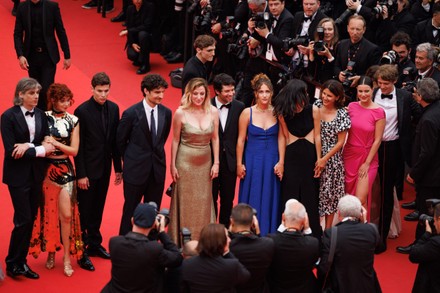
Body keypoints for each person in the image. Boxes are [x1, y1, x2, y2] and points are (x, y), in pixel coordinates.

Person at [2, 78, 55, 279]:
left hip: (36, 175)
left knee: (30, 218)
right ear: (21, 94)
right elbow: (11, 151)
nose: (35, 97)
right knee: (23, 218)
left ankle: (21, 262)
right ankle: (12, 263)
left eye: (37, 94)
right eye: (31, 93)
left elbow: (49, 144)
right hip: (17, 177)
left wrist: (28, 146)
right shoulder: (8, 117)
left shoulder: (41, 114)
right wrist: (38, 148)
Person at [28, 83, 82, 277]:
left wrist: (56, 143)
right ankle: (51, 251)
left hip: (66, 169)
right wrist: (46, 144)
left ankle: (67, 257)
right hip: (47, 169)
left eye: (68, 99)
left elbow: (74, 151)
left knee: (66, 215)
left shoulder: (74, 120)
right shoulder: (43, 117)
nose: (66, 103)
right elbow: (39, 142)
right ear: (53, 100)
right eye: (61, 100)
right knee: (50, 214)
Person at [74, 72, 122, 264]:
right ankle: (80, 250)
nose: (103, 94)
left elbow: (115, 142)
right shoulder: (81, 111)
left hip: (104, 168)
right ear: (92, 89)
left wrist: (118, 168)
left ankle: (94, 244)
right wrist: (81, 175)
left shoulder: (114, 108)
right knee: (83, 211)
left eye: (106, 91)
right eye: (100, 91)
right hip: (88, 170)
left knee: (98, 208)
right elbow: (79, 147)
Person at [372, 64, 421, 252]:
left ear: (394, 82)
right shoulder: (372, 92)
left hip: (391, 149)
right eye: (380, 83)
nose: (382, 87)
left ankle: (381, 235)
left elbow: (420, 116)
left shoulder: (405, 97)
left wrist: (409, 137)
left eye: (386, 84)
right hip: (369, 148)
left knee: (385, 192)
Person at [117, 74, 172, 236]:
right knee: (130, 210)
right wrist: (128, 161)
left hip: (157, 171)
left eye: (162, 92)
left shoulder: (166, 113)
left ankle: (150, 247)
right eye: (157, 92)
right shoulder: (131, 113)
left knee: (153, 211)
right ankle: (125, 243)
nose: (160, 96)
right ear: (146, 91)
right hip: (135, 171)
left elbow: (161, 139)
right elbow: (120, 142)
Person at [169, 78, 219, 245]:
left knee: (204, 201)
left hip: (205, 162)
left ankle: (203, 240)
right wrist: (173, 165)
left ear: (206, 94)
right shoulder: (180, 113)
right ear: (189, 94)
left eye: (202, 94)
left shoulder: (213, 111)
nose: (198, 97)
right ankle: (181, 240)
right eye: (195, 94)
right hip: (185, 162)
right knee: (185, 201)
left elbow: (215, 138)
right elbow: (175, 140)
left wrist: (216, 162)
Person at [272, 79, 321, 239]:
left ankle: (312, 238)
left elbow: (318, 136)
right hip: (292, 157)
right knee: (290, 196)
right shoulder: (283, 113)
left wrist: (320, 159)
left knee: (310, 198)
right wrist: (282, 162)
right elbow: (284, 138)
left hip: (310, 158)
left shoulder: (314, 109)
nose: (307, 95)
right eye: (305, 92)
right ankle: (288, 236)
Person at [236, 73, 284, 235]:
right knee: (253, 194)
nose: (264, 95)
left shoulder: (277, 112)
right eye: (261, 92)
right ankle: (246, 233)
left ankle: (268, 234)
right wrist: (239, 163)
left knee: (271, 197)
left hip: (272, 160)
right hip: (252, 160)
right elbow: (241, 140)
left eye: (267, 91)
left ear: (272, 93)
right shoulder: (246, 113)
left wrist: (281, 162)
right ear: (255, 93)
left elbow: (282, 138)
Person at [397, 78, 440, 254]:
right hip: (435, 173)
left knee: (426, 212)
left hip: (431, 177)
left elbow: (426, 153)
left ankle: (420, 247)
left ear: (420, 96)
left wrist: (414, 173)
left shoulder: (428, 119)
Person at [102, 203, 183, 293]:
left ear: (132, 220)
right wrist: (162, 232)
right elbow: (177, 258)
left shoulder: (114, 242)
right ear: (153, 224)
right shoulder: (155, 249)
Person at [13, 0, 71, 111]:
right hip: (31, 56)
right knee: (35, 90)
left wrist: (67, 55)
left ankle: (47, 116)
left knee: (46, 89)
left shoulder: (52, 7)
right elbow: (17, 33)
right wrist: (20, 55)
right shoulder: (22, 7)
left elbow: (60, 30)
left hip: (48, 55)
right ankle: (39, 117)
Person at [318, 195, 382, 293]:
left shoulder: (331, 233)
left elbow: (324, 267)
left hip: (340, 287)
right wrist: (364, 222)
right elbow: (379, 247)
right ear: (360, 213)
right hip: (367, 287)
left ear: (339, 213)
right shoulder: (372, 230)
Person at [343, 76, 385, 219]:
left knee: (360, 199)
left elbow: (378, 140)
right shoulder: (351, 107)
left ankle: (362, 234)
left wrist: (367, 163)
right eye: (360, 91)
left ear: (373, 90)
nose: (363, 95)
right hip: (349, 155)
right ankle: (354, 230)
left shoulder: (379, 112)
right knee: (348, 196)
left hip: (368, 158)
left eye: (366, 91)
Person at [314, 80, 351, 229]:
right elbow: (315, 134)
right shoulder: (315, 106)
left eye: (329, 95)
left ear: (337, 97)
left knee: (330, 196)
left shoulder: (342, 113)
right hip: (315, 155)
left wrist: (324, 159)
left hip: (332, 160)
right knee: (315, 194)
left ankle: (328, 231)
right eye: (324, 93)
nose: (325, 97)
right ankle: (315, 229)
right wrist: (318, 159)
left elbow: (340, 142)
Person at [211, 74, 245, 227]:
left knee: (227, 200)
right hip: (210, 161)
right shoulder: (207, 106)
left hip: (230, 161)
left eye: (232, 90)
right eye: (227, 91)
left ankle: (224, 232)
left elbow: (243, 136)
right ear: (217, 91)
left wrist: (240, 162)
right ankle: (210, 231)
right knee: (210, 199)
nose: (231, 93)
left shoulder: (239, 107)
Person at [267, 199, 320, 293]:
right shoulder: (312, 244)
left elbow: (275, 239)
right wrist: (307, 229)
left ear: (283, 217)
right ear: (304, 220)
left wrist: (281, 228)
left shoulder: (271, 241)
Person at [181, 223, 250, 292]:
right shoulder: (231, 266)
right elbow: (246, 276)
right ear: (220, 241)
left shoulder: (187, 264)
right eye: (227, 237)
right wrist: (227, 252)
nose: (230, 240)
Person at [229, 203, 275, 292]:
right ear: (253, 223)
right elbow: (261, 243)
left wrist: (229, 233)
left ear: (232, 222)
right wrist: (258, 233)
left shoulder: (229, 247)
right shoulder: (268, 244)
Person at [335, 15, 381, 100]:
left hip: (361, 93)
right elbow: (336, 65)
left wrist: (360, 78)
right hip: (341, 90)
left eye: (358, 29)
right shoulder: (341, 44)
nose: (354, 32)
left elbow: (375, 74)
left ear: (364, 30)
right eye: (352, 29)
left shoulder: (373, 49)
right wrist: (339, 74)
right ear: (347, 28)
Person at [409, 202, 440, 292]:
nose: (433, 223)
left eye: (434, 220)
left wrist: (426, 235)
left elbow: (413, 255)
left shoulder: (435, 244)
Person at [118, 0, 154, 75]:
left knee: (142, 34)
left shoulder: (149, 7)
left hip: (148, 37)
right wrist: (132, 43)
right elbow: (129, 26)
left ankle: (145, 64)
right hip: (135, 38)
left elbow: (147, 26)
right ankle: (139, 58)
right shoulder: (130, 9)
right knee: (132, 55)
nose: (137, 1)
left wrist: (128, 31)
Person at [307, 18, 340, 98]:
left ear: (334, 31)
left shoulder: (339, 46)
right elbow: (310, 72)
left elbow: (335, 70)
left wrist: (329, 56)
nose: (327, 32)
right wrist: (311, 54)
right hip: (315, 85)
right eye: (324, 30)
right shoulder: (316, 45)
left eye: (330, 29)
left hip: (330, 89)